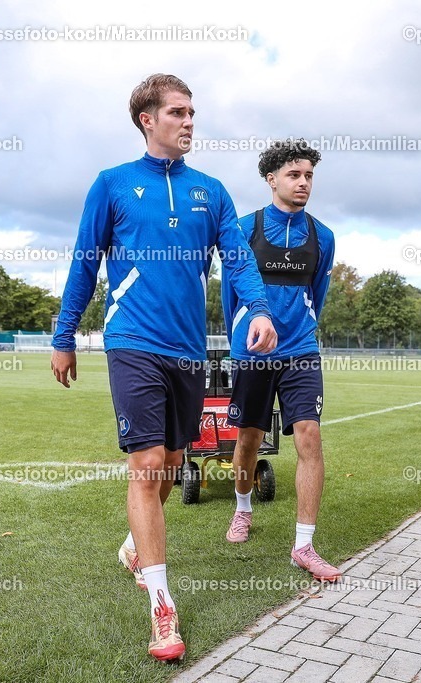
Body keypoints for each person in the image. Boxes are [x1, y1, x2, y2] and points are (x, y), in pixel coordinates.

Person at [50, 74, 277, 662]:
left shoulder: (212, 191)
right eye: (178, 112)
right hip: (132, 340)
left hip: (188, 349)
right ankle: (162, 609)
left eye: (193, 112)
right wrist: (64, 333)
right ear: (147, 119)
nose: (189, 122)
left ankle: (134, 546)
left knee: (174, 466)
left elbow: (238, 259)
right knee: (147, 463)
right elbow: (84, 261)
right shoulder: (113, 185)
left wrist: (254, 306)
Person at [221, 138, 340, 581]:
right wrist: (244, 336)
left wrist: (299, 330)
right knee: (249, 441)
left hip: (301, 351)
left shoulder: (322, 237)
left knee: (309, 436)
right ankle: (242, 509)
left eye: (309, 175)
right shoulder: (242, 228)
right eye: (294, 175)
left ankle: (304, 546)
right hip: (252, 353)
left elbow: (318, 297)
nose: (303, 182)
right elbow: (229, 296)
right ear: (271, 180)